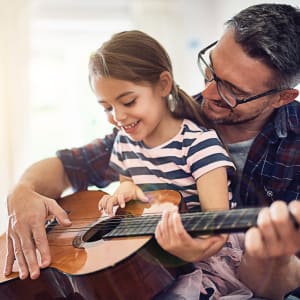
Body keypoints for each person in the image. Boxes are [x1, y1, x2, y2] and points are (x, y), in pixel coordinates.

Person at [3, 2, 300, 299]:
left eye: (233, 91)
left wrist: (270, 258)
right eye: (210, 69)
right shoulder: (165, 121)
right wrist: (23, 192)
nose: (207, 93)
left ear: (282, 97)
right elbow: (68, 166)